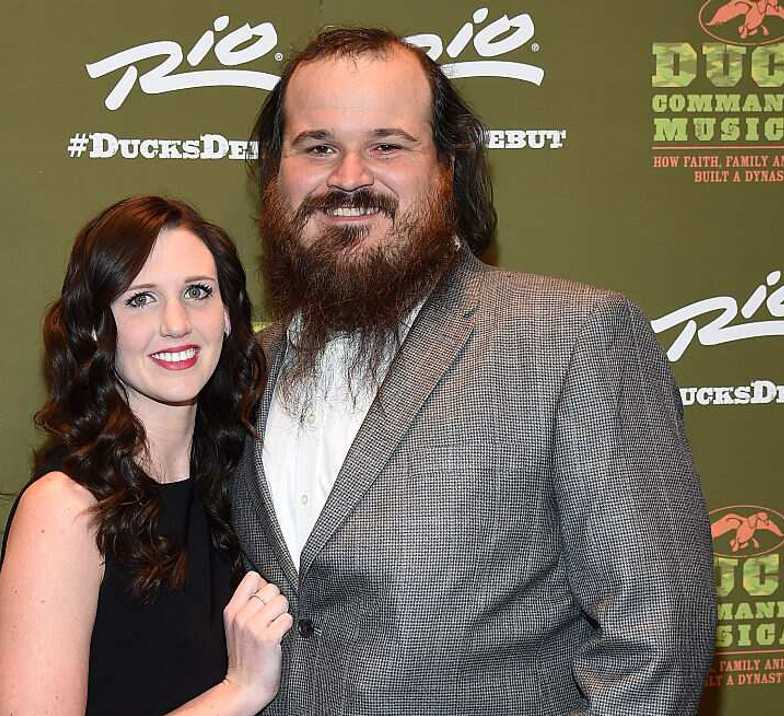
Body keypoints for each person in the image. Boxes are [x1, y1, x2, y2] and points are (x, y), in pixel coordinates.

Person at [231, 28, 717, 714]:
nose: (348, 178)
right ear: (275, 175)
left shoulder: (573, 338)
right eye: (317, 147)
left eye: (386, 146)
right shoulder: (248, 367)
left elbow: (657, 638)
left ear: (447, 168)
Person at [0, 196, 293, 715]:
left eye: (197, 293)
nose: (176, 323)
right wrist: (240, 690)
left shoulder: (246, 484)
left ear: (227, 316)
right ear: (94, 328)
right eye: (140, 300)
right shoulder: (66, 510)